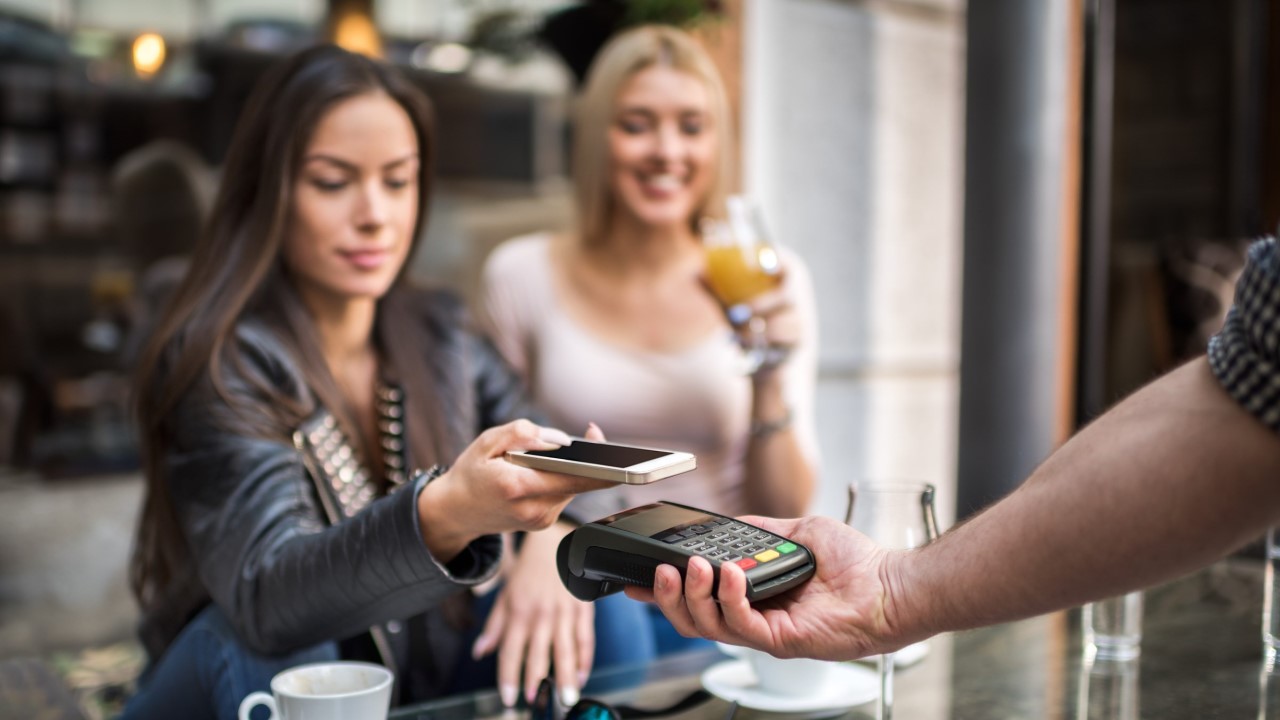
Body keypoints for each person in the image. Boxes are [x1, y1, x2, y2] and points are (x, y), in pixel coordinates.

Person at [120, 45, 623, 719]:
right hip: (230, 684)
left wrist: (554, 541)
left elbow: (564, 473)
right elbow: (271, 602)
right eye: (333, 182)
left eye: (398, 181)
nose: (375, 215)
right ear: (268, 191)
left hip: (414, 676)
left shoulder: (440, 332)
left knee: (595, 606)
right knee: (280, 663)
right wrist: (447, 512)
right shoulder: (219, 361)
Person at [628, 236, 1280, 662]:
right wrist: (894, 589)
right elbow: (1242, 393)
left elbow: (1237, 402)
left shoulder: (765, 278)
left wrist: (896, 589)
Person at [475, 24, 820, 701]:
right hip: (583, 565)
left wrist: (769, 373)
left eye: (692, 127)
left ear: (717, 143)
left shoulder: (764, 280)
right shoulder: (521, 274)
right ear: (598, 135)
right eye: (637, 125)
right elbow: (499, 456)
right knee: (608, 618)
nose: (667, 151)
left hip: (721, 578)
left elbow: (784, 507)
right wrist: (549, 540)